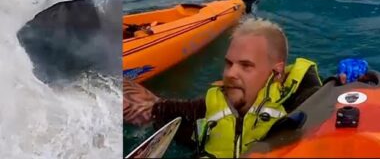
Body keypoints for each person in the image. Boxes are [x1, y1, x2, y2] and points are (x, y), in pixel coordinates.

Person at [124, 17, 324, 158]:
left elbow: (332, 107)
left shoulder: (304, 105)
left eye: (246, 66)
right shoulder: (211, 106)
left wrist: (353, 81)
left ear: (277, 73)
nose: (230, 74)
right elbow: (160, 110)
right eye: (229, 63)